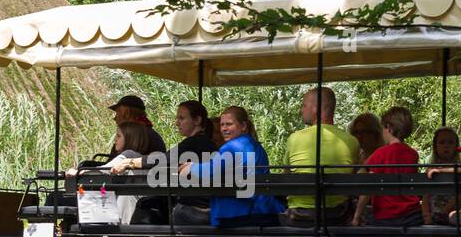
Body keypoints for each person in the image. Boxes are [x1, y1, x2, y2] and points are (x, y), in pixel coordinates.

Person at [110, 100, 218, 223]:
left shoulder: (198, 142)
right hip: (190, 196)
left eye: (181, 118)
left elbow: (165, 159)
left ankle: (129, 233)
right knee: (147, 202)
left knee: (143, 201)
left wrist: (132, 162)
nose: (177, 123)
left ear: (197, 120)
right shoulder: (200, 142)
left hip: (196, 204)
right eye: (177, 118)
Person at [175, 106, 282, 227]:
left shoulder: (233, 147)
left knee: (180, 213)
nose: (224, 129)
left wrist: (191, 167)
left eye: (229, 124)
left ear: (243, 126)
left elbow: (212, 170)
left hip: (239, 212)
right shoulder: (255, 146)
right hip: (261, 208)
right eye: (222, 125)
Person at [282, 87, 361, 226]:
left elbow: (286, 177)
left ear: (316, 108)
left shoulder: (294, 139)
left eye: (304, 105)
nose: (301, 110)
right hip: (337, 216)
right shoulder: (351, 141)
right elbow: (353, 178)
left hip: (299, 217)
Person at [68, 121, 153, 224]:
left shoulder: (129, 154)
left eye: (118, 136)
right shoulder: (137, 158)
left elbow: (104, 170)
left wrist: (78, 172)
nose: (115, 139)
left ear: (129, 138)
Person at [351, 107, 423, 227]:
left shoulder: (381, 153)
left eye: (383, 127)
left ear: (389, 128)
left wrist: (356, 217)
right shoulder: (413, 154)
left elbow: (368, 187)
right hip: (412, 215)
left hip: (387, 216)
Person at [422, 127, 460, 224]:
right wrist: (426, 214)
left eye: (450, 142)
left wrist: (445, 210)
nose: (446, 146)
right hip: (434, 215)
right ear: (435, 147)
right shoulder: (431, 170)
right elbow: (426, 197)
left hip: (454, 215)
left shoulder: (460, 169)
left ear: (456, 146)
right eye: (442, 142)